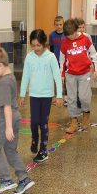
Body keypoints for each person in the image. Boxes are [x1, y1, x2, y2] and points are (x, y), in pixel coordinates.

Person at [0, 47, 35, 194]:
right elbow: (5, 101)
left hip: (5, 120)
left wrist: (7, 127)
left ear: (1, 65)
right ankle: (23, 178)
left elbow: (6, 106)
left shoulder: (4, 83)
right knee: (10, 150)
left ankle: (6, 179)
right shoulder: (10, 77)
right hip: (13, 116)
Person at [20, 29, 63, 163]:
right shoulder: (29, 57)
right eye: (33, 45)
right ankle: (34, 140)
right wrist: (22, 95)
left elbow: (57, 77)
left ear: (44, 43)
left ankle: (43, 151)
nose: (36, 48)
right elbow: (25, 76)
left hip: (46, 95)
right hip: (34, 95)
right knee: (34, 122)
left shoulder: (50, 57)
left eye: (38, 45)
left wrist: (59, 95)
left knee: (43, 123)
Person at [59, 19, 97, 134]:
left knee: (84, 97)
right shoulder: (65, 42)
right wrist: (61, 74)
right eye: (68, 36)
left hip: (85, 73)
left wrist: (96, 69)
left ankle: (86, 113)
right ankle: (74, 121)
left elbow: (94, 54)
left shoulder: (85, 38)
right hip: (70, 74)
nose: (70, 38)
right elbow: (62, 61)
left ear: (76, 30)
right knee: (71, 98)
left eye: (72, 35)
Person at [49, 16, 68, 106]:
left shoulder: (67, 34)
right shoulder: (52, 35)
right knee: (56, 78)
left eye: (60, 24)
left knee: (65, 79)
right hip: (55, 60)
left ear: (63, 24)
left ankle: (66, 98)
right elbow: (51, 48)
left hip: (65, 60)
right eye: (57, 25)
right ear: (54, 25)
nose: (59, 26)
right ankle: (57, 96)